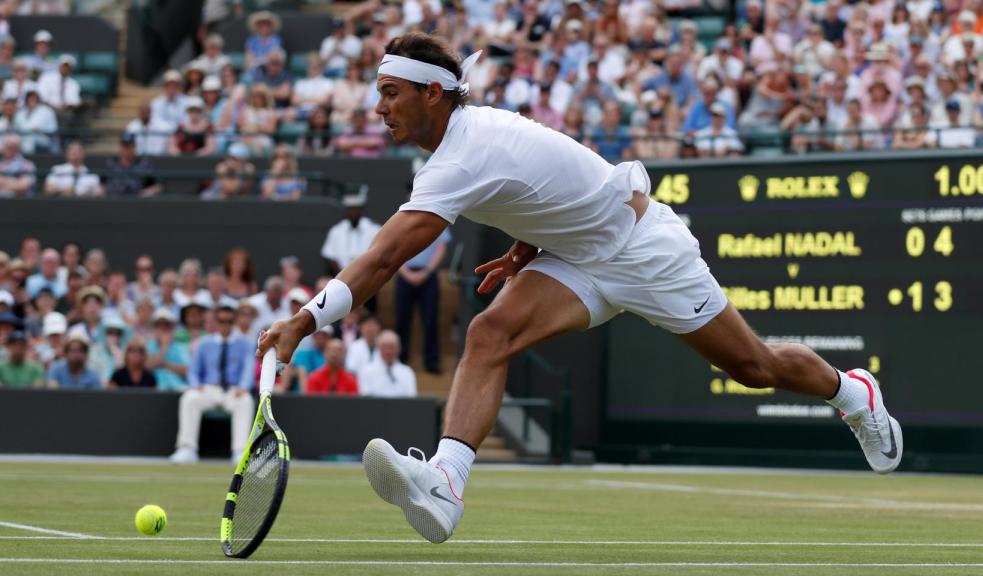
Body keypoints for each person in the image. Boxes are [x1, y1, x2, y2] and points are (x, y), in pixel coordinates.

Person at [259, 32, 903, 545]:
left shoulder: (462, 154)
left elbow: (379, 261)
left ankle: (853, 392)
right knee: (489, 333)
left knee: (753, 367)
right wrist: (526, 243)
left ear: (433, 95)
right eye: (379, 93)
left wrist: (302, 321)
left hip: (643, 248)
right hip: (575, 254)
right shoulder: (464, 145)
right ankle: (446, 486)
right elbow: (551, 184)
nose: (379, 108)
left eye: (391, 92)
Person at [169, 299, 255, 464]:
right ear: (216, 322)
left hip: (233, 390)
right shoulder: (204, 343)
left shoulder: (245, 344)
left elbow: (247, 370)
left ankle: (240, 452)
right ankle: (187, 449)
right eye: (222, 321)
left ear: (234, 322)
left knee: (245, 401)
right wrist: (195, 385)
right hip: (208, 389)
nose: (225, 325)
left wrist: (243, 387)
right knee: (189, 398)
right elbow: (193, 370)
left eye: (229, 321)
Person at [396, 213, 450, 374]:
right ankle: (400, 360)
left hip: (428, 276)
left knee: (430, 319)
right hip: (405, 275)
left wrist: (426, 272)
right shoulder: (399, 219)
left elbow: (441, 248)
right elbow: (393, 248)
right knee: (402, 319)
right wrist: (405, 273)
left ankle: (432, 362)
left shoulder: (437, 217)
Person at [320, 195, 382, 276]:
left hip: (368, 275)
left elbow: (379, 254)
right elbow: (330, 256)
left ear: (361, 210)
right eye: (350, 209)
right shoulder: (336, 230)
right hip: (341, 274)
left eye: (356, 209)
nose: (353, 212)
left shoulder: (374, 229)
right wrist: (342, 276)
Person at [357, 330, 416, 398]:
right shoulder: (366, 371)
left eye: (392, 347)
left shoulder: (407, 372)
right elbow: (366, 398)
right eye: (385, 347)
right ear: (378, 348)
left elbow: (411, 399)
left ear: (398, 349)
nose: (388, 351)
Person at [146, 307, 191, 391]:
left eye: (166, 325)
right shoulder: (149, 345)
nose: (162, 328)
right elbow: (147, 366)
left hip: (179, 389)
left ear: (172, 328)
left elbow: (188, 371)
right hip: (154, 391)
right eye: (158, 325)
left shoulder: (181, 346)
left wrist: (164, 364)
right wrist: (164, 347)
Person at [287, 325, 333, 392]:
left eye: (324, 335)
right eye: (317, 335)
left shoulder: (332, 357)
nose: (320, 337)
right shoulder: (302, 354)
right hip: (302, 396)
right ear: (313, 337)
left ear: (329, 338)